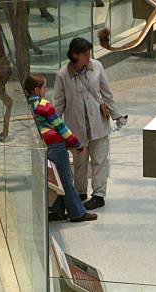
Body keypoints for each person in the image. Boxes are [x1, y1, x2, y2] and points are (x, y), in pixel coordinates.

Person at [54, 38, 128, 210]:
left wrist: (117, 115)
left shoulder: (97, 67)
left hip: (98, 123)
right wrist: (54, 128)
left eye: (89, 52)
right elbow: (58, 104)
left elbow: (106, 93)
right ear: (74, 55)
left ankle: (99, 195)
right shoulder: (62, 75)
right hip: (76, 127)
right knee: (80, 162)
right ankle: (80, 192)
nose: (88, 56)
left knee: (100, 160)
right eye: (84, 54)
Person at [25, 73, 97, 223]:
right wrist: (75, 143)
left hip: (41, 146)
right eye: (44, 87)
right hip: (55, 147)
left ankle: (56, 210)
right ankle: (77, 212)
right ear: (37, 90)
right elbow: (60, 126)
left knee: (54, 180)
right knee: (65, 179)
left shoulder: (27, 107)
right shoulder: (45, 105)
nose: (46, 90)